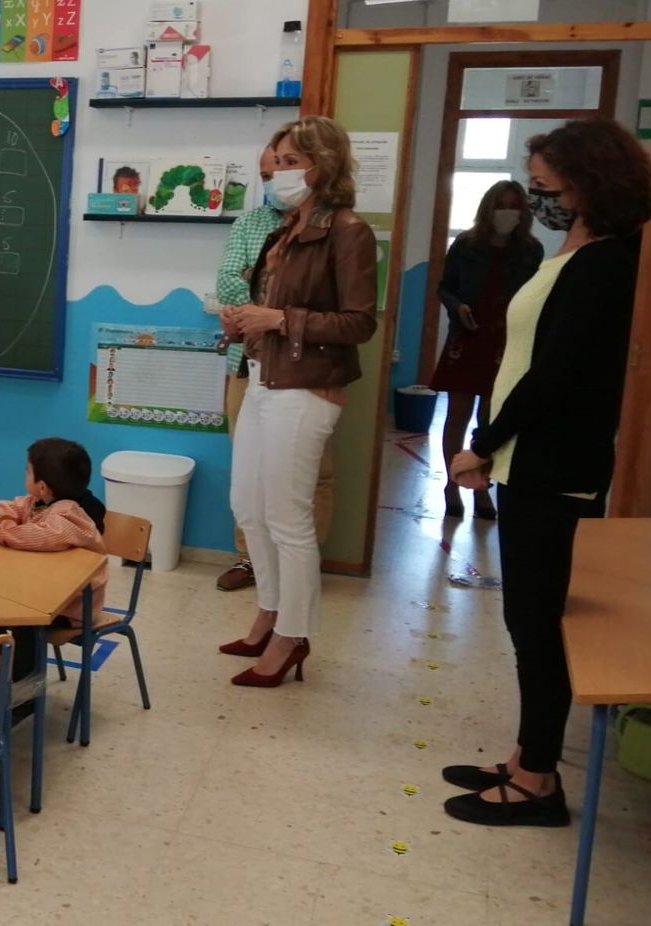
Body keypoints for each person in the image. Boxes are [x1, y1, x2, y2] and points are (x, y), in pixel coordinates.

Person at [443, 120, 651, 827]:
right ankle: (526, 755)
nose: (536, 199)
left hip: (553, 463)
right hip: (530, 459)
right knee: (524, 616)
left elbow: (555, 376)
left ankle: (539, 784)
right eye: (532, 186)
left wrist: (485, 442)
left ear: (589, 181)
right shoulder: (577, 248)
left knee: (536, 622)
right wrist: (493, 444)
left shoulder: (608, 262)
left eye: (545, 186)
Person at [219, 116, 379, 688]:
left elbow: (360, 322)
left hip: (306, 389)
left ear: (323, 165)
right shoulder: (282, 229)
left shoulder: (349, 232)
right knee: (248, 507)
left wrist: (281, 319)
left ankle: (293, 636)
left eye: (290, 162)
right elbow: (269, 308)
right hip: (263, 377)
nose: (278, 172)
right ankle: (268, 612)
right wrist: (243, 323)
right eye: (276, 162)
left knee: (288, 518)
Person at [215, 143, 334, 593]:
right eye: (267, 173)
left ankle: (302, 564)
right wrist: (256, 306)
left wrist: (270, 308)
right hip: (246, 361)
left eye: (284, 168)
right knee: (249, 473)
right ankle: (251, 560)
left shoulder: (333, 229)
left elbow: (331, 309)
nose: (275, 180)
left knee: (312, 472)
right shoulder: (250, 223)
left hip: (306, 371)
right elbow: (229, 281)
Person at [430, 180, 544, 520]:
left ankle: (483, 489)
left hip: (506, 342)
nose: (507, 212)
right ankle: (452, 485)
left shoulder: (530, 250)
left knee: (490, 420)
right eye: (500, 205)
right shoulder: (466, 244)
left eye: (514, 205)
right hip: (467, 338)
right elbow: (444, 287)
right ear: (488, 208)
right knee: (457, 416)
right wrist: (457, 306)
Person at [0, 437, 108, 628]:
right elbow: (14, 508)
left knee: (18, 622)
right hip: (44, 591)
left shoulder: (70, 514)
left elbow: (41, 535)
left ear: (42, 486)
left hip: (71, 607)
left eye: (27, 471)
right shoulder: (39, 500)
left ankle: (18, 658)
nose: (24, 473)